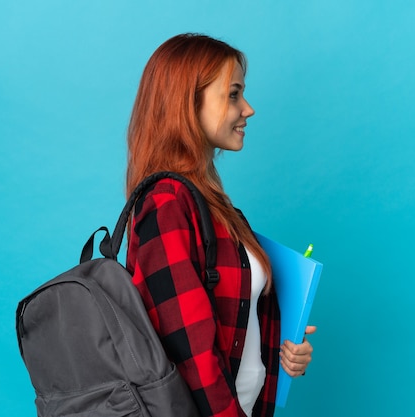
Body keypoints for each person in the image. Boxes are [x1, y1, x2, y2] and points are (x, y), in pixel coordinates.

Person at [125, 33, 315, 417]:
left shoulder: (216, 208)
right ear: (187, 103)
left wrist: (285, 347)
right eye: (233, 94)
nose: (248, 109)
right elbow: (190, 350)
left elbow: (237, 322)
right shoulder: (166, 204)